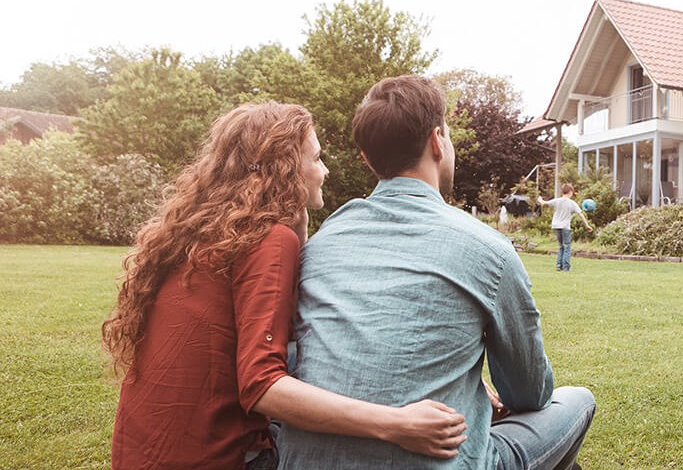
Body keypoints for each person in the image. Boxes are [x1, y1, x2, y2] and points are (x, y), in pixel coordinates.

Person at [103, 102, 468, 470]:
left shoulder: (202, 232)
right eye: (317, 158)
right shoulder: (268, 239)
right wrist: (398, 425)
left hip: (142, 454)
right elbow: (262, 386)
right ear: (288, 168)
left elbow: (296, 326)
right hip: (215, 457)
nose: (324, 171)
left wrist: (301, 229)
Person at [279, 76, 596, 470]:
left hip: (303, 461)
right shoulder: (487, 248)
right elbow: (528, 392)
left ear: (366, 157)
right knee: (578, 399)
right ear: (436, 141)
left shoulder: (323, 242)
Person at [537, 184, 593, 272]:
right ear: (570, 192)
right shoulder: (572, 203)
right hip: (565, 227)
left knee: (561, 246)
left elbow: (544, 203)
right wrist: (587, 225)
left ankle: (559, 266)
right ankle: (566, 267)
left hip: (556, 226)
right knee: (567, 247)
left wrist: (540, 199)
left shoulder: (557, 201)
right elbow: (581, 214)